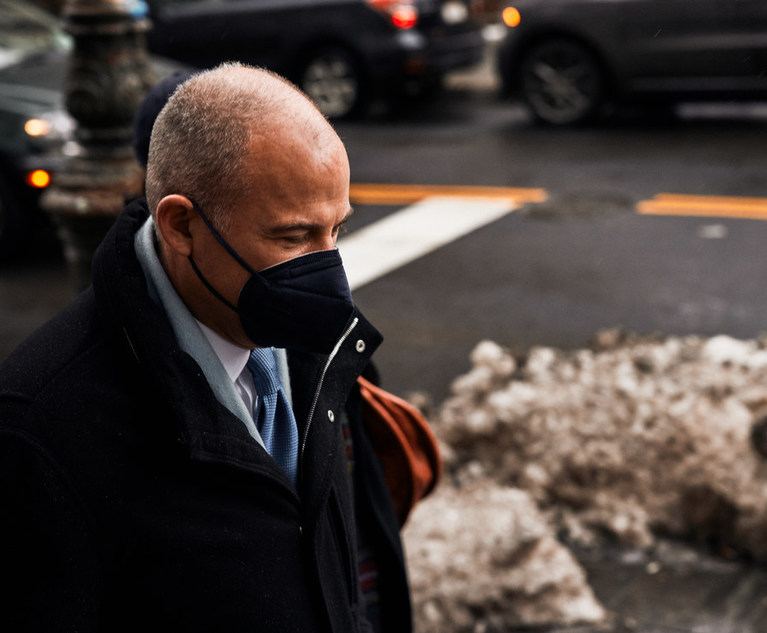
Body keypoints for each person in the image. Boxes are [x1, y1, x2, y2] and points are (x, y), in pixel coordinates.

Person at [0, 63, 411, 632]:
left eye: (335, 229)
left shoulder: (320, 352)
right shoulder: (41, 430)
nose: (329, 274)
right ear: (181, 226)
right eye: (292, 238)